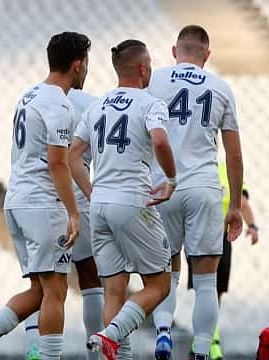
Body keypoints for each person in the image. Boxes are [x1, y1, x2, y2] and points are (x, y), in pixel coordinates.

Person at [0, 31, 90, 360]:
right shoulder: (59, 105)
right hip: (42, 205)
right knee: (57, 292)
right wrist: (74, 213)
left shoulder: (28, 96)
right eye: (86, 63)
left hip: (17, 200)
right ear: (77, 65)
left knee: (40, 289)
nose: (87, 70)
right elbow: (58, 164)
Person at [69, 39, 177, 359]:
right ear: (143, 68)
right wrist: (171, 179)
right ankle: (111, 334)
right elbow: (159, 140)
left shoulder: (96, 105)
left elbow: (73, 155)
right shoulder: (150, 103)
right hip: (132, 201)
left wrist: (91, 194)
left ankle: (113, 346)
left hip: (100, 205)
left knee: (113, 290)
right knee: (159, 285)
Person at [147, 25, 244, 360]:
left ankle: (162, 335)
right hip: (203, 188)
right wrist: (235, 207)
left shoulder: (154, 81)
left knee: (165, 274)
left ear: (175, 52)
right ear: (208, 54)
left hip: (163, 188)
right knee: (206, 281)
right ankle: (202, 351)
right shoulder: (221, 88)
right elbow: (233, 153)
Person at [21, 90, 104, 360]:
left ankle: (35, 347)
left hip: (36, 195)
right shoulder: (91, 104)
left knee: (40, 283)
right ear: (79, 64)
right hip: (75, 195)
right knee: (90, 275)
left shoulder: (30, 98)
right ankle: (95, 353)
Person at [185, 162, 258, 359]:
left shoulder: (213, 168)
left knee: (208, 291)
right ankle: (210, 343)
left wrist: (252, 225)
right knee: (210, 292)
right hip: (209, 235)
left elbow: (242, 202)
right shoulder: (216, 168)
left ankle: (201, 341)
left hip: (209, 235)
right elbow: (241, 202)